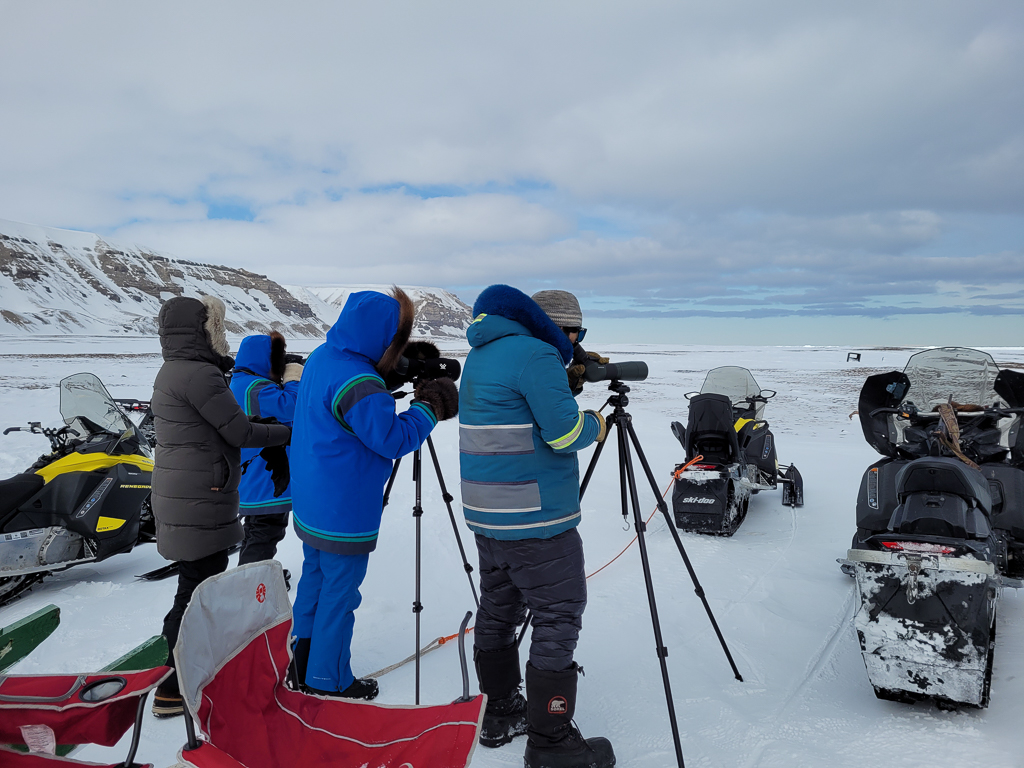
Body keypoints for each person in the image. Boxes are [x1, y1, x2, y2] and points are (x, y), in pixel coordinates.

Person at [458, 285, 615, 768]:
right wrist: (597, 423)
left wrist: (563, 385)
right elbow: (565, 434)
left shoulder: (483, 352)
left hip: (488, 512)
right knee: (559, 613)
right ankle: (551, 742)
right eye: (577, 332)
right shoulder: (537, 355)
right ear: (558, 328)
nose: (578, 341)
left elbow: (515, 407)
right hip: (535, 517)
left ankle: (500, 711)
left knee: (499, 606)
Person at [289, 287, 459, 700]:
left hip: (313, 498)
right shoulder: (360, 381)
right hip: (343, 508)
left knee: (315, 580)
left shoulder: (324, 357)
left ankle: (299, 661)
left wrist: (389, 374)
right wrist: (429, 406)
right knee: (340, 593)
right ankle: (328, 680)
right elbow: (392, 438)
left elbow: (347, 406)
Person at [149, 295, 292, 718]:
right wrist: (285, 432)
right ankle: (172, 686)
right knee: (195, 590)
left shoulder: (174, 369)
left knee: (193, 584)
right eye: (217, 327)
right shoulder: (201, 375)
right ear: (204, 331)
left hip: (182, 491)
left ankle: (176, 673)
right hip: (200, 497)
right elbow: (239, 432)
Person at [229, 332, 304, 571]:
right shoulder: (255, 388)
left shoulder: (242, 382)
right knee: (265, 532)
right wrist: (293, 376)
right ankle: (252, 583)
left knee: (257, 531)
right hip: (264, 479)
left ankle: (252, 577)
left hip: (255, 475)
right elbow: (293, 405)